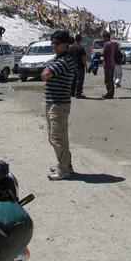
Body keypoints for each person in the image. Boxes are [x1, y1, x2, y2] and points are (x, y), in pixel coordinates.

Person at [41, 30, 74, 180]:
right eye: (52, 43)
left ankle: (63, 169)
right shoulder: (58, 59)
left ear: (65, 45)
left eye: (57, 43)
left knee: (57, 137)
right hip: (53, 103)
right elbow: (45, 72)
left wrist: (46, 72)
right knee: (56, 136)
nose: (54, 45)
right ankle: (65, 164)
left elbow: (46, 74)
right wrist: (46, 72)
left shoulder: (65, 60)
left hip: (58, 104)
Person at [68, 34, 87, 98]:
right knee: (79, 80)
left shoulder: (71, 47)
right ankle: (78, 93)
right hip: (80, 66)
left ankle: (71, 92)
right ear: (80, 40)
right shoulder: (80, 48)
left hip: (73, 66)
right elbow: (83, 58)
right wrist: (86, 67)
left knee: (73, 79)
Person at [100, 31, 116, 99]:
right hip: (112, 63)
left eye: (103, 37)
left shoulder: (106, 44)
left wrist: (100, 52)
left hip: (107, 64)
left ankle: (109, 93)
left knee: (107, 80)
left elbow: (103, 53)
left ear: (106, 37)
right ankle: (111, 92)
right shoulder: (112, 44)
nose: (103, 39)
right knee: (111, 79)